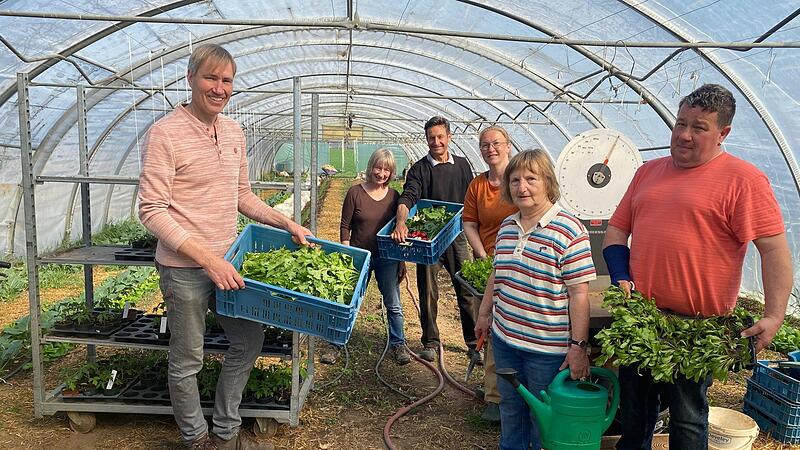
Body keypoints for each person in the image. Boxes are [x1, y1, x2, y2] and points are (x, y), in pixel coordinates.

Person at [138, 44, 312, 450]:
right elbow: (151, 211)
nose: (219, 88)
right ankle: (196, 439)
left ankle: (226, 433)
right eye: (210, 78)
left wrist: (286, 222)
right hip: (185, 269)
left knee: (248, 341)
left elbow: (242, 195)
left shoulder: (234, 131)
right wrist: (205, 259)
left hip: (230, 262)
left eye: (227, 80)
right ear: (191, 79)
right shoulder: (165, 134)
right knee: (188, 359)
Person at [603, 83, 793, 450]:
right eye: (680, 123)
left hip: (700, 327)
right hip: (642, 318)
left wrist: (774, 314)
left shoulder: (744, 180)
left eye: (699, 127)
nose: (684, 135)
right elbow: (616, 231)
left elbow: (773, 251)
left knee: (688, 420)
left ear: (723, 133)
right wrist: (621, 274)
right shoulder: (648, 172)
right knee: (636, 415)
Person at [475, 149, 595, 450]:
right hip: (506, 341)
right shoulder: (507, 226)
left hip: (546, 349)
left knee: (543, 418)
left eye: (531, 178)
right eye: (515, 180)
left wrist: (578, 347)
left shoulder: (569, 230)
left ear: (548, 183)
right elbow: (496, 273)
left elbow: (579, 294)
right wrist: (485, 314)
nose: (522, 187)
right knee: (511, 409)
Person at [390, 116, 480, 362]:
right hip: (428, 239)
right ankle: (430, 341)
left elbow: (471, 199)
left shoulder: (462, 165)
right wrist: (401, 222)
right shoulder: (420, 169)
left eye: (440, 137)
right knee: (427, 290)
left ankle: (474, 344)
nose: (436, 142)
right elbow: (409, 196)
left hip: (458, 236)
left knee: (466, 288)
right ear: (427, 139)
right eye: (432, 138)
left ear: (449, 137)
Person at [462, 125, 519, 423]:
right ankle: (495, 395)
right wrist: (484, 256)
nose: (490, 149)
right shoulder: (477, 185)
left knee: (517, 325)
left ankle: (521, 392)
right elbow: (469, 223)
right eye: (484, 145)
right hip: (489, 265)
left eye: (495, 143)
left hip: (520, 265)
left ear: (508, 145)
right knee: (491, 327)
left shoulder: (521, 179)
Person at [335, 148, 410, 364]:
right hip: (361, 257)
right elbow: (345, 226)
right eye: (378, 167)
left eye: (387, 169)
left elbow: (399, 231)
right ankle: (337, 343)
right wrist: (348, 253)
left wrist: (401, 260)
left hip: (387, 258)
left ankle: (398, 344)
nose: (382, 173)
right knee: (350, 300)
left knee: (393, 303)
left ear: (392, 172)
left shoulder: (394, 197)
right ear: (371, 168)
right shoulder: (355, 193)